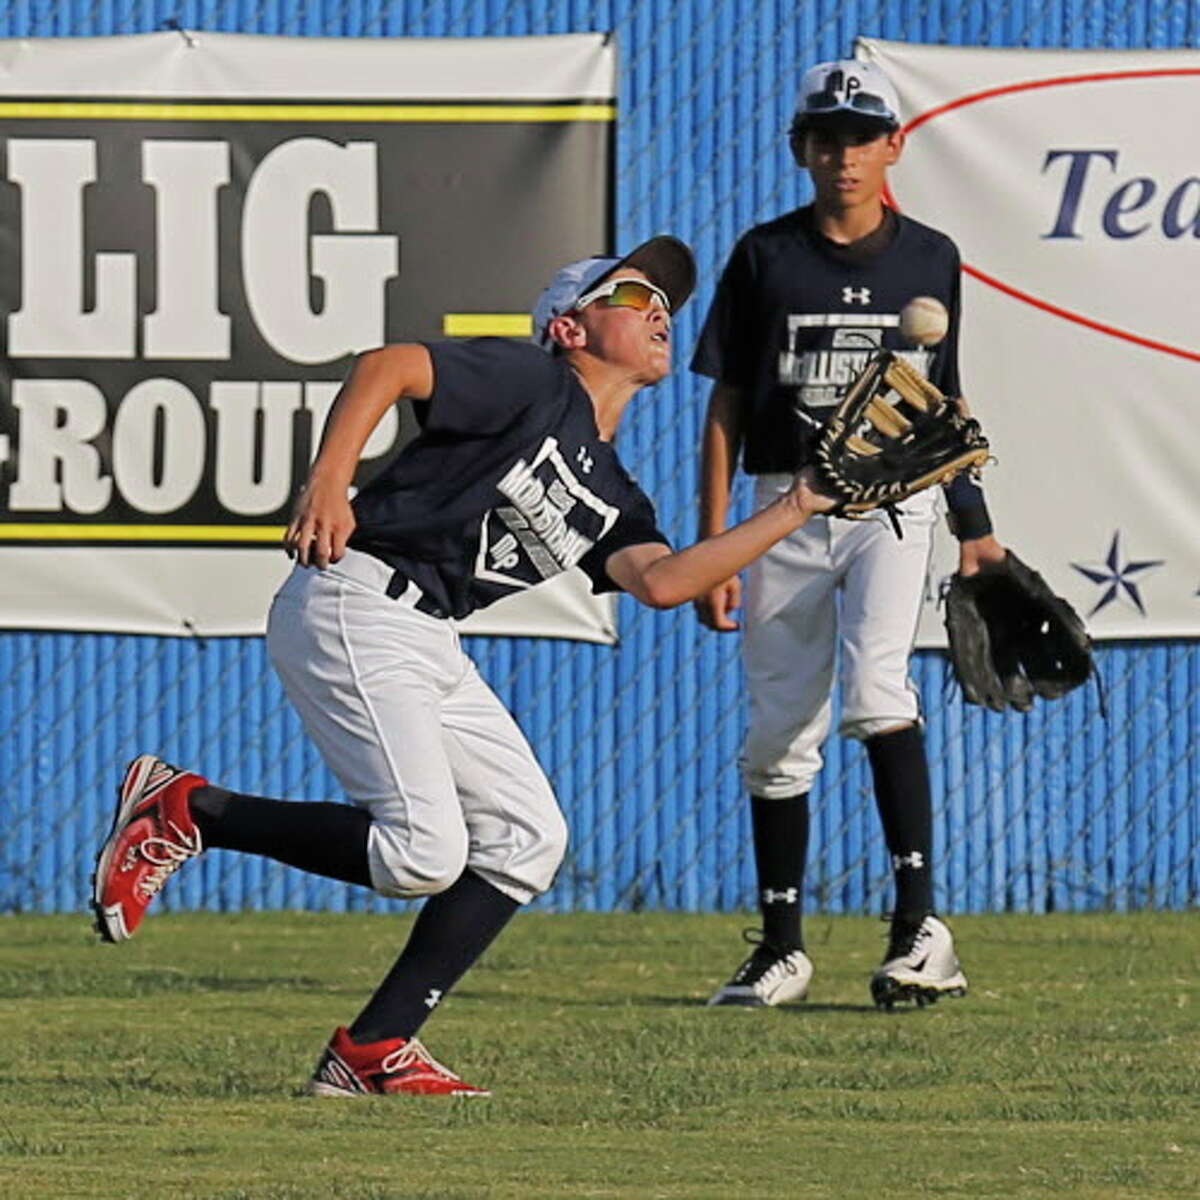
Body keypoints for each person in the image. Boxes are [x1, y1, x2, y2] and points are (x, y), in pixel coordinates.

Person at [92, 235, 839, 1097]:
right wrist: (330, 481)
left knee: (527, 840)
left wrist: (799, 505)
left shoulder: (611, 485)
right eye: (631, 298)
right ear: (568, 328)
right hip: (356, 603)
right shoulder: (533, 383)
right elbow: (388, 366)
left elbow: (665, 581)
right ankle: (191, 808)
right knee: (421, 854)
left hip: (427, 636)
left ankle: (373, 1049)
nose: (658, 312)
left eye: (666, 304)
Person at [691, 59, 1007, 1010]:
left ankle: (920, 932)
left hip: (892, 502)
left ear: (894, 147)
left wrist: (975, 528)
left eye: (863, 136)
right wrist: (713, 548)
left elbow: (941, 405)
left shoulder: (930, 255)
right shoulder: (765, 256)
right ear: (801, 149)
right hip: (783, 503)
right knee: (777, 734)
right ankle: (780, 946)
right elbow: (727, 405)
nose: (844, 154)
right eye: (826, 137)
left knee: (878, 690)